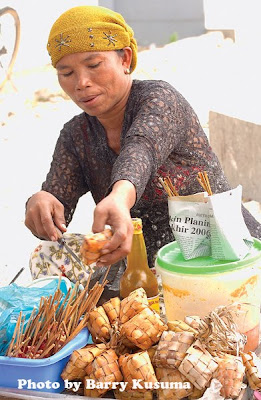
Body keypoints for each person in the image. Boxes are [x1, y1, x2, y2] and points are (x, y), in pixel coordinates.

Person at [25, 5, 261, 286]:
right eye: (67, 73)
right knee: (48, 254)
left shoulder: (159, 99)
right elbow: (56, 211)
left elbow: (141, 147)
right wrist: (40, 203)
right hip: (139, 264)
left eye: (93, 65)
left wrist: (120, 197)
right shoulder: (76, 135)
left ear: (124, 59)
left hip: (214, 251)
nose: (81, 83)